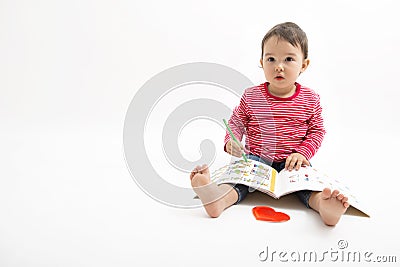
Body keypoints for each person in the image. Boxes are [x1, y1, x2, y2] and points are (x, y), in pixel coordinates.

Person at [190, 22, 349, 226]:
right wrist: (232, 140)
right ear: (261, 62)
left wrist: (302, 153)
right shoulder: (252, 96)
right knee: (240, 180)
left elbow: (317, 131)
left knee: (307, 186)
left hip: (293, 162)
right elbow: (237, 122)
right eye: (271, 59)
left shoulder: (310, 99)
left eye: (289, 59)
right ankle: (218, 199)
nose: (278, 66)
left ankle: (324, 206)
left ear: (304, 65)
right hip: (256, 158)